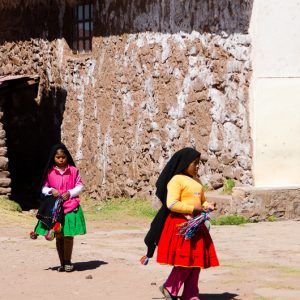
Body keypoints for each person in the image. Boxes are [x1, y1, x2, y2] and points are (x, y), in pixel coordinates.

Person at [143, 147, 219, 300]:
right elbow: (172, 203)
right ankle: (169, 287)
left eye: (199, 164)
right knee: (185, 261)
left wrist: (207, 205)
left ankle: (191, 294)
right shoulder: (176, 180)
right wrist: (192, 208)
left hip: (196, 225)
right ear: (185, 163)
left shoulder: (196, 182)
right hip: (181, 226)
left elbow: (201, 201)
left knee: (196, 261)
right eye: (194, 163)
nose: (197, 167)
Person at [33, 143, 86, 272]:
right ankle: (62, 262)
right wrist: (51, 190)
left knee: (68, 235)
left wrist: (71, 193)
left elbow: (80, 186)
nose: (61, 159)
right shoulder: (50, 172)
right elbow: (43, 188)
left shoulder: (73, 170)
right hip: (55, 209)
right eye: (58, 157)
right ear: (54, 158)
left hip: (70, 207)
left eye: (63, 157)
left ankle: (68, 261)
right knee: (59, 236)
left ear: (67, 157)